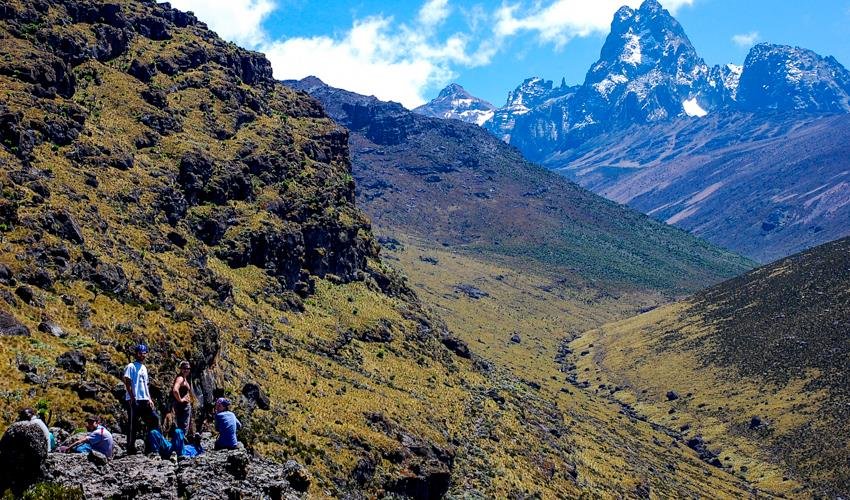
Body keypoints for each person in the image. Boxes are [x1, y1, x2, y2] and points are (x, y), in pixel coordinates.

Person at [123, 343, 160, 455]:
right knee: (133, 424)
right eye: (140, 353)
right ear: (136, 354)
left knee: (154, 419)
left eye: (144, 353)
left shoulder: (144, 368)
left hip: (145, 399)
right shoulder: (131, 366)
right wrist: (132, 397)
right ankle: (130, 447)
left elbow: (146, 384)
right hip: (134, 399)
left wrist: (149, 399)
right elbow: (127, 382)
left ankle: (152, 445)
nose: (142, 355)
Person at [170, 361, 194, 434]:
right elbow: (175, 390)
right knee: (183, 426)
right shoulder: (180, 378)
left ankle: (182, 438)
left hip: (184, 406)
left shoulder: (184, 378)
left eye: (188, 368)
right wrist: (180, 400)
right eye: (184, 368)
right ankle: (181, 439)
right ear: (181, 369)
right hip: (182, 406)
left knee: (183, 425)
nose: (186, 370)